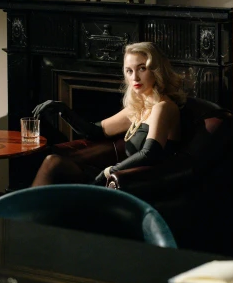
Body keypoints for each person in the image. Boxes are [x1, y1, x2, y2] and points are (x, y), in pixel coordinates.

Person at [31, 41, 186, 186]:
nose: (135, 77)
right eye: (129, 71)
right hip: (118, 176)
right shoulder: (139, 107)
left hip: (139, 182)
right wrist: (63, 110)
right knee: (53, 161)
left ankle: (21, 212)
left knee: (55, 167)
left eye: (142, 68)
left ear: (156, 69)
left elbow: (149, 154)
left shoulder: (163, 107)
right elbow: (93, 132)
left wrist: (108, 171)